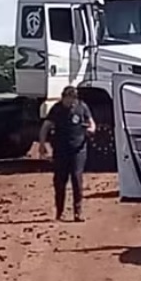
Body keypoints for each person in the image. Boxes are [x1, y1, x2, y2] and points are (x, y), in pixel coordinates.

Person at [38, 86, 96, 222]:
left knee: (77, 179)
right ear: (64, 97)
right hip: (60, 150)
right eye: (70, 99)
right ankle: (60, 212)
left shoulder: (82, 107)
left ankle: (78, 212)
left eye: (74, 99)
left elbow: (91, 122)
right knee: (60, 181)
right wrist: (42, 144)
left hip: (78, 149)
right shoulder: (57, 109)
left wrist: (91, 129)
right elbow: (45, 126)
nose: (72, 103)